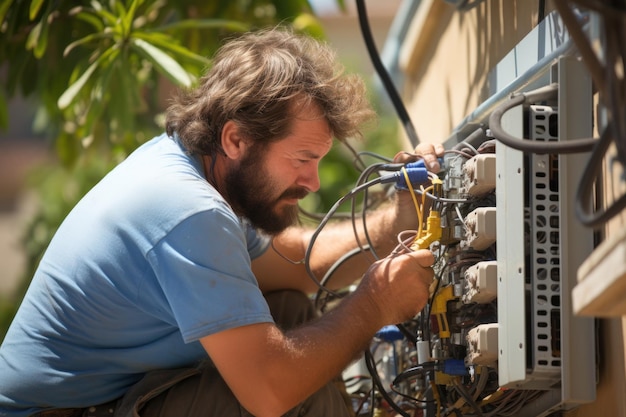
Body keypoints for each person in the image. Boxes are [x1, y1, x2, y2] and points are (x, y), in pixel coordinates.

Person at [0, 28, 443, 417]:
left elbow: (293, 265)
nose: (311, 181)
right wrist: (374, 305)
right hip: (55, 413)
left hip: (98, 400)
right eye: (302, 160)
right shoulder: (189, 210)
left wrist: (395, 225)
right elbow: (270, 392)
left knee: (286, 307)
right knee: (291, 393)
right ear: (236, 139)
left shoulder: (189, 165)